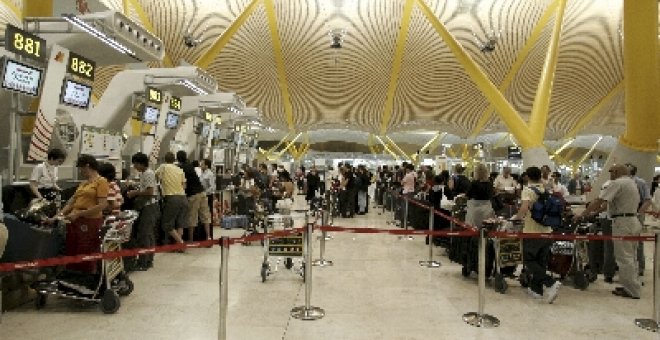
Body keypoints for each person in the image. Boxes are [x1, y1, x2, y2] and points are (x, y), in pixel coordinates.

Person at [576, 164, 642, 299]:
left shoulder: (617, 183)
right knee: (632, 256)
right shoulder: (631, 182)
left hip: (622, 223)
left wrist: (582, 214)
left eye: (611, 172)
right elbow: (606, 204)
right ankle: (632, 285)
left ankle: (631, 290)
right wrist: (594, 212)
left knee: (624, 257)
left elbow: (599, 200)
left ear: (617, 172)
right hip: (633, 221)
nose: (610, 174)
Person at [512, 166, 561, 303]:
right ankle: (536, 290)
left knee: (529, 260)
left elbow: (524, 208)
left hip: (532, 232)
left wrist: (516, 218)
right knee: (541, 261)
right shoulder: (546, 188)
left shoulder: (527, 190)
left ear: (527, 177)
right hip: (547, 231)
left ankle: (550, 283)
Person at [54, 154, 109, 273]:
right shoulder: (84, 183)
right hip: (75, 222)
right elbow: (71, 201)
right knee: (73, 249)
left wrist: (79, 214)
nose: (80, 171)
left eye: (81, 168)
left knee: (86, 250)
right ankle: (74, 277)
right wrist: (59, 215)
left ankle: (87, 277)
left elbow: (102, 205)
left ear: (87, 166)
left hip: (90, 222)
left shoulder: (101, 181)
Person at [127, 153, 159, 270]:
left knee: (144, 234)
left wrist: (135, 193)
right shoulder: (145, 174)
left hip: (149, 207)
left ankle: (144, 262)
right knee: (148, 234)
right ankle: (148, 260)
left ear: (140, 163)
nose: (134, 166)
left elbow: (150, 192)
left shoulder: (148, 174)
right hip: (148, 206)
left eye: (135, 163)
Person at [176, 151, 212, 242]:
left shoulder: (180, 168)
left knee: (192, 217)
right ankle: (208, 237)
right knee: (205, 216)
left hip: (193, 195)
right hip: (202, 193)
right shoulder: (190, 166)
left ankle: (191, 240)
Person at [155, 152, 187, 247]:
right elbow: (184, 185)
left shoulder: (163, 167)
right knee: (179, 223)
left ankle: (181, 243)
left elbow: (155, 177)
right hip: (183, 197)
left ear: (165, 159)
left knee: (167, 224)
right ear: (174, 160)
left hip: (172, 198)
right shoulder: (179, 169)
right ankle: (178, 245)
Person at [625, 163, 652, 277]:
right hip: (625, 214)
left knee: (638, 240)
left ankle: (640, 267)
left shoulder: (640, 182)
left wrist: (638, 213)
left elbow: (647, 200)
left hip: (636, 213)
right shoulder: (622, 182)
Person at [465, 164, 495, 228]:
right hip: (487, 208)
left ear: (476, 173)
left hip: (474, 209)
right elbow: (491, 195)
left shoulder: (474, 183)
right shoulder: (489, 183)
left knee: (474, 228)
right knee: (485, 227)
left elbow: (468, 195)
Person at [200, 159, 216, 232]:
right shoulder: (202, 173)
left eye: (202, 164)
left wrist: (205, 193)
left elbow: (212, 187)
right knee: (204, 215)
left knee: (208, 215)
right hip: (202, 196)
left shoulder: (210, 174)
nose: (201, 165)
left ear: (206, 165)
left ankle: (210, 234)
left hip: (208, 196)